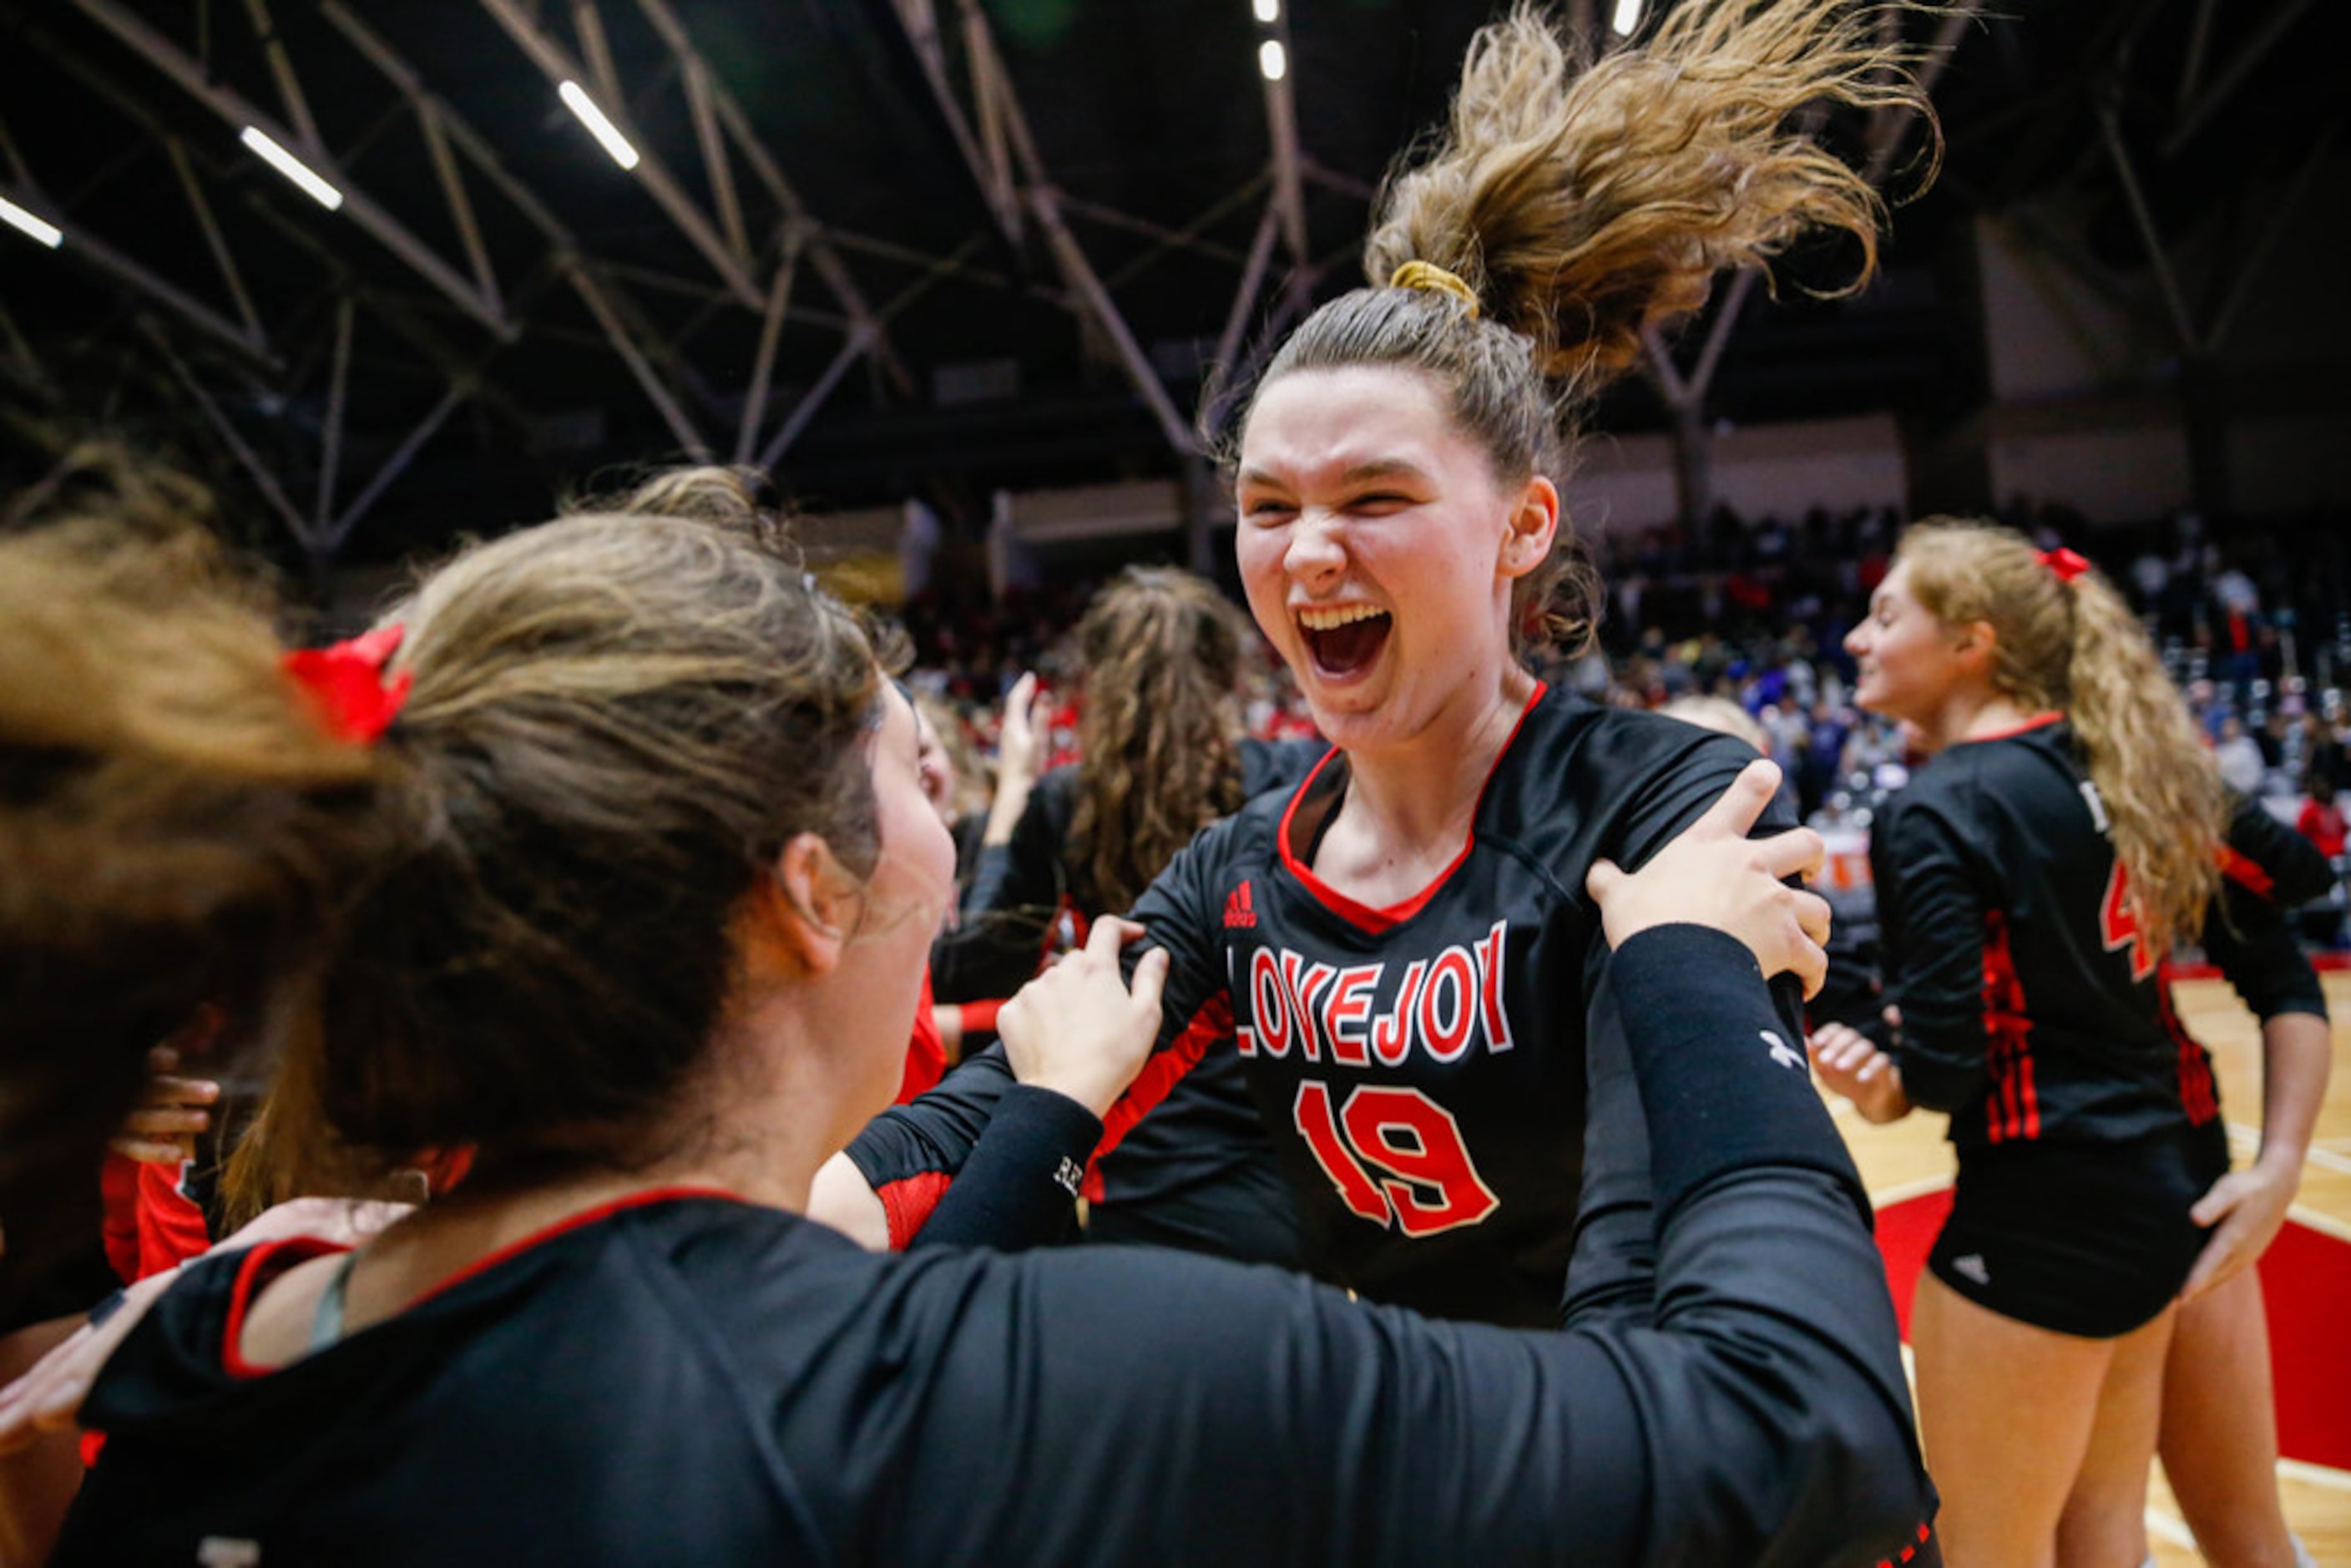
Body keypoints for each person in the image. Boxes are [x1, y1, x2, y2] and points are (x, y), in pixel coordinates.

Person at [3, 488, 1936, 1565]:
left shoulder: (204, 1363)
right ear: (810, 887)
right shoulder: (1084, 1384)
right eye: (919, 772)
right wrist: (1682, 978)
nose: (960, 822)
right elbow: (1802, 1432)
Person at [829, 0, 1933, 1327]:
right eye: (1270, 506)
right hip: (1455, 1464)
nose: (1307, 554)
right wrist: (789, 1205)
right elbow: (995, 1099)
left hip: (1674, 1479)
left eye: (1375, 498)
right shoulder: (1242, 871)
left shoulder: (1669, 809)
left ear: (1521, 527)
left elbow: (1710, 1278)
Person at [1812, 523, 2332, 1568]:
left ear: (1971, 641)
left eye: (1883, 616)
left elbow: (1951, 1070)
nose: (1855, 642)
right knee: (2143, 1541)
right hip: (2186, 1174)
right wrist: (2277, 1164)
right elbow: (2292, 914)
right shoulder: (2132, 764)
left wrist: (1883, 1092)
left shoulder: (1938, 808)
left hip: (2045, 1210)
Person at [953, 566, 1324, 1264]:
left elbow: (983, 962)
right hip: (1283, 1163)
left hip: (1126, 1165)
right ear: (1227, 675)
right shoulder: (1292, 774)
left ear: (1097, 679)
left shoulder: (1062, 802)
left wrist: (1012, 798)